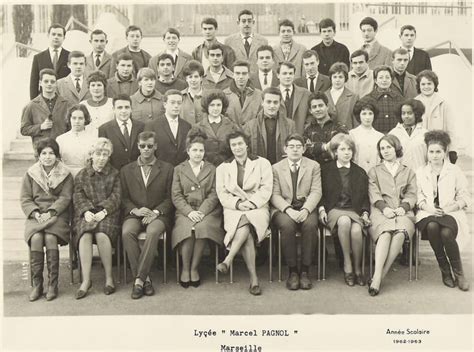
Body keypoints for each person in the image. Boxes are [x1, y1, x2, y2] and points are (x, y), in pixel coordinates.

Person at [216, 130, 273, 295]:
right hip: (234, 209)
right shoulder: (223, 168)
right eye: (233, 145)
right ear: (230, 147)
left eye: (240, 143)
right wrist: (238, 204)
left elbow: (266, 188)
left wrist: (251, 203)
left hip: (258, 207)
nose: (237, 147)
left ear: (247, 144)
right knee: (245, 228)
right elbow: (222, 194)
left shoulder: (263, 163)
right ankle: (253, 279)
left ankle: (228, 259)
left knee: (246, 222)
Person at [120, 131, 174, 299]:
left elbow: (170, 197)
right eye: (142, 146)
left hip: (158, 215)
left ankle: (138, 281)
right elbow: (123, 198)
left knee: (152, 232)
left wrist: (156, 212)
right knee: (127, 232)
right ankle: (145, 278)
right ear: (138, 147)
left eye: (150, 146)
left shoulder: (167, 168)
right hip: (135, 213)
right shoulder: (126, 170)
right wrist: (135, 210)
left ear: (155, 146)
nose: (146, 149)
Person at [416, 130, 470, 291]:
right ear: (427, 152)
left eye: (438, 152)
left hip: (451, 213)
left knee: (446, 233)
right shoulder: (420, 172)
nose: (434, 156)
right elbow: (418, 197)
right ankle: (444, 270)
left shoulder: (454, 170)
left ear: (445, 152)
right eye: (431, 152)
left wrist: (449, 208)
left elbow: (465, 197)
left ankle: (459, 273)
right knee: (432, 226)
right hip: (428, 213)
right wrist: (430, 208)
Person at [20, 138, 73, 301]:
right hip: (36, 216)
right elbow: (25, 198)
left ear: (57, 155)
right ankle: (37, 284)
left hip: (57, 215)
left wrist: (51, 212)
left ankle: (52, 284)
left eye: (51, 153)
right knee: (36, 238)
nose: (48, 156)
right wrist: (36, 213)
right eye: (44, 153)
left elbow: (65, 197)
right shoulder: (31, 173)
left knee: (50, 237)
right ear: (38, 155)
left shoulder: (65, 173)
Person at [172, 128, 225, 287]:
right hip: (185, 211)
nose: (198, 153)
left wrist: (201, 212)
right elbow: (176, 195)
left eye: (201, 150)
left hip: (207, 211)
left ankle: (195, 268)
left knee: (202, 228)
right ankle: (185, 269)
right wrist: (189, 212)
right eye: (194, 150)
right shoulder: (179, 169)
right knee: (187, 229)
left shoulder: (212, 169)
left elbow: (215, 194)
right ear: (188, 151)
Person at [367, 135, 417, 296]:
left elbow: (412, 193)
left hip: (403, 211)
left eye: (388, 147)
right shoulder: (374, 171)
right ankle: (378, 277)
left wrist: (404, 206)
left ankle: (378, 277)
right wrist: (384, 208)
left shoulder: (408, 171)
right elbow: (373, 192)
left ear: (396, 148)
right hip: (380, 211)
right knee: (386, 233)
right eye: (382, 148)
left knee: (401, 232)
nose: (385, 151)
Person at [319, 133, 371, 287]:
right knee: (344, 221)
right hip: (334, 209)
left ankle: (357, 269)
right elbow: (318, 192)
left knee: (356, 231)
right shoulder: (325, 170)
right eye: (342, 149)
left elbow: (365, 198)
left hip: (354, 210)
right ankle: (347, 266)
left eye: (349, 149)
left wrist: (365, 212)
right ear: (335, 152)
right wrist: (321, 209)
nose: (347, 152)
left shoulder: (360, 172)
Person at [271, 133, 321, 290]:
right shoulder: (276, 168)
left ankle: (305, 271)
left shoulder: (313, 166)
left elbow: (316, 191)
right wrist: (288, 210)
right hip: (284, 208)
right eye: (291, 146)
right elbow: (274, 194)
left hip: (306, 206)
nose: (295, 150)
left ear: (304, 149)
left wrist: (306, 209)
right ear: (285, 149)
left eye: (298, 146)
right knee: (287, 226)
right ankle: (292, 271)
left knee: (311, 225)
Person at [73, 138, 121, 299]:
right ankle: (86, 280)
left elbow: (116, 196)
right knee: (85, 235)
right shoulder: (82, 174)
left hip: (108, 214)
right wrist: (86, 211)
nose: (101, 158)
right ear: (92, 154)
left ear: (109, 156)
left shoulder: (114, 174)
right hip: (87, 214)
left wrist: (104, 211)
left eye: (105, 154)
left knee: (101, 234)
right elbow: (78, 195)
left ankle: (109, 278)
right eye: (98, 154)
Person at [244, 87, 296, 165]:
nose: (272, 106)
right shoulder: (250, 126)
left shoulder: (290, 125)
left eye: (275, 102)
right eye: (268, 102)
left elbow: (293, 149)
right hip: (259, 168)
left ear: (280, 103)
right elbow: (246, 151)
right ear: (262, 102)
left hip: (281, 168)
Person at [21, 69, 72, 145]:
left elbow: (71, 128)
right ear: (40, 83)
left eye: (52, 82)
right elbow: (24, 129)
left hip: (62, 147)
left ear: (56, 84)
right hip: (41, 149)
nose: (49, 84)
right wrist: (40, 127)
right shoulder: (31, 105)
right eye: (46, 81)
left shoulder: (66, 104)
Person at [144, 89, 192, 166]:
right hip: (160, 170)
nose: (176, 106)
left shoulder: (187, 126)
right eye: (172, 103)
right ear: (165, 104)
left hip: (181, 171)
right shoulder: (152, 125)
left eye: (179, 103)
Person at [98, 94, 145, 170]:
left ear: (131, 109)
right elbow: (104, 155)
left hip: (137, 172)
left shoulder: (142, 127)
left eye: (127, 107)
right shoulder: (104, 129)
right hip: (115, 174)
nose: (123, 111)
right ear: (113, 109)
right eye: (120, 107)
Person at [303, 92, 348, 165]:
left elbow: (342, 149)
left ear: (327, 107)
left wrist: (315, 147)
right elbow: (304, 150)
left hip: (335, 170)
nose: (318, 109)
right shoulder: (308, 130)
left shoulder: (340, 128)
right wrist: (325, 147)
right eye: (314, 107)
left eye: (320, 105)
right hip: (314, 171)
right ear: (310, 111)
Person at [359, 65, 405, 134]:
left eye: (387, 77)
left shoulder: (400, 99)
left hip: (395, 137)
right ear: (375, 80)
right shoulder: (366, 100)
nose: (384, 80)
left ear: (391, 80)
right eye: (381, 78)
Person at [198, 90, 238, 166]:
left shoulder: (232, 126)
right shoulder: (198, 128)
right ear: (207, 106)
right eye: (212, 105)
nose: (216, 108)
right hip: (205, 169)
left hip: (227, 168)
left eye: (218, 105)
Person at [30, 23, 70, 100]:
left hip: (64, 101)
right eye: (53, 34)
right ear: (48, 36)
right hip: (44, 101)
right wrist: (34, 103)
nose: (56, 37)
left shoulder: (70, 57)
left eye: (59, 35)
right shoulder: (38, 58)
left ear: (64, 37)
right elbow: (34, 84)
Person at [56, 105, 98, 177]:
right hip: (65, 176)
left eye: (80, 118)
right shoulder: (60, 139)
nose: (77, 121)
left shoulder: (93, 139)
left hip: (87, 176)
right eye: (74, 118)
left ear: (85, 119)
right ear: (69, 119)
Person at [414, 70, 456, 139]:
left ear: (435, 84)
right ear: (419, 86)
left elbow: (451, 131)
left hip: (438, 145)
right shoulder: (413, 103)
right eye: (423, 84)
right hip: (419, 145)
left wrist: (450, 148)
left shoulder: (443, 104)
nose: (426, 86)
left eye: (429, 83)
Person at [389, 99, 428, 172]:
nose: (406, 116)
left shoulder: (425, 134)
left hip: (421, 175)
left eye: (409, 113)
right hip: (400, 176)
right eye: (403, 113)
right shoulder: (393, 134)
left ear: (416, 114)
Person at [225, 9, 268, 74]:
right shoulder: (229, 41)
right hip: (237, 79)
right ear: (238, 23)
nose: (247, 24)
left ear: (253, 22)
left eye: (249, 21)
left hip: (256, 80)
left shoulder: (263, 41)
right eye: (243, 21)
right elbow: (227, 64)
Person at [224, 60, 262, 127]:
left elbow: (261, 119)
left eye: (244, 73)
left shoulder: (259, 95)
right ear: (233, 75)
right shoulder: (224, 95)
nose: (241, 77)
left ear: (249, 75)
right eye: (237, 73)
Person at [349, 100, 384, 173]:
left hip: (375, 175)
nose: (367, 117)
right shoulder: (352, 134)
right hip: (357, 174)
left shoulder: (380, 136)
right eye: (364, 114)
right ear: (359, 115)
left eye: (370, 113)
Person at [277, 61, 310, 134]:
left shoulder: (305, 94)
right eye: (284, 73)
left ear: (294, 75)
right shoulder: (271, 94)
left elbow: (311, 114)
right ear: (278, 75)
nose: (288, 76)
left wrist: (305, 129)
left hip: (299, 136)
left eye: (290, 73)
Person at [325, 62, 358, 129]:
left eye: (340, 77)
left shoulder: (353, 97)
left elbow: (356, 121)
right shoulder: (324, 95)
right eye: (334, 77)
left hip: (346, 134)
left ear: (345, 78)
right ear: (331, 78)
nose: (337, 80)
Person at [180, 60, 206, 125]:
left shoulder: (208, 96)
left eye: (196, 76)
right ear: (186, 79)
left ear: (201, 78)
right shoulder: (180, 96)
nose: (193, 80)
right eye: (190, 77)